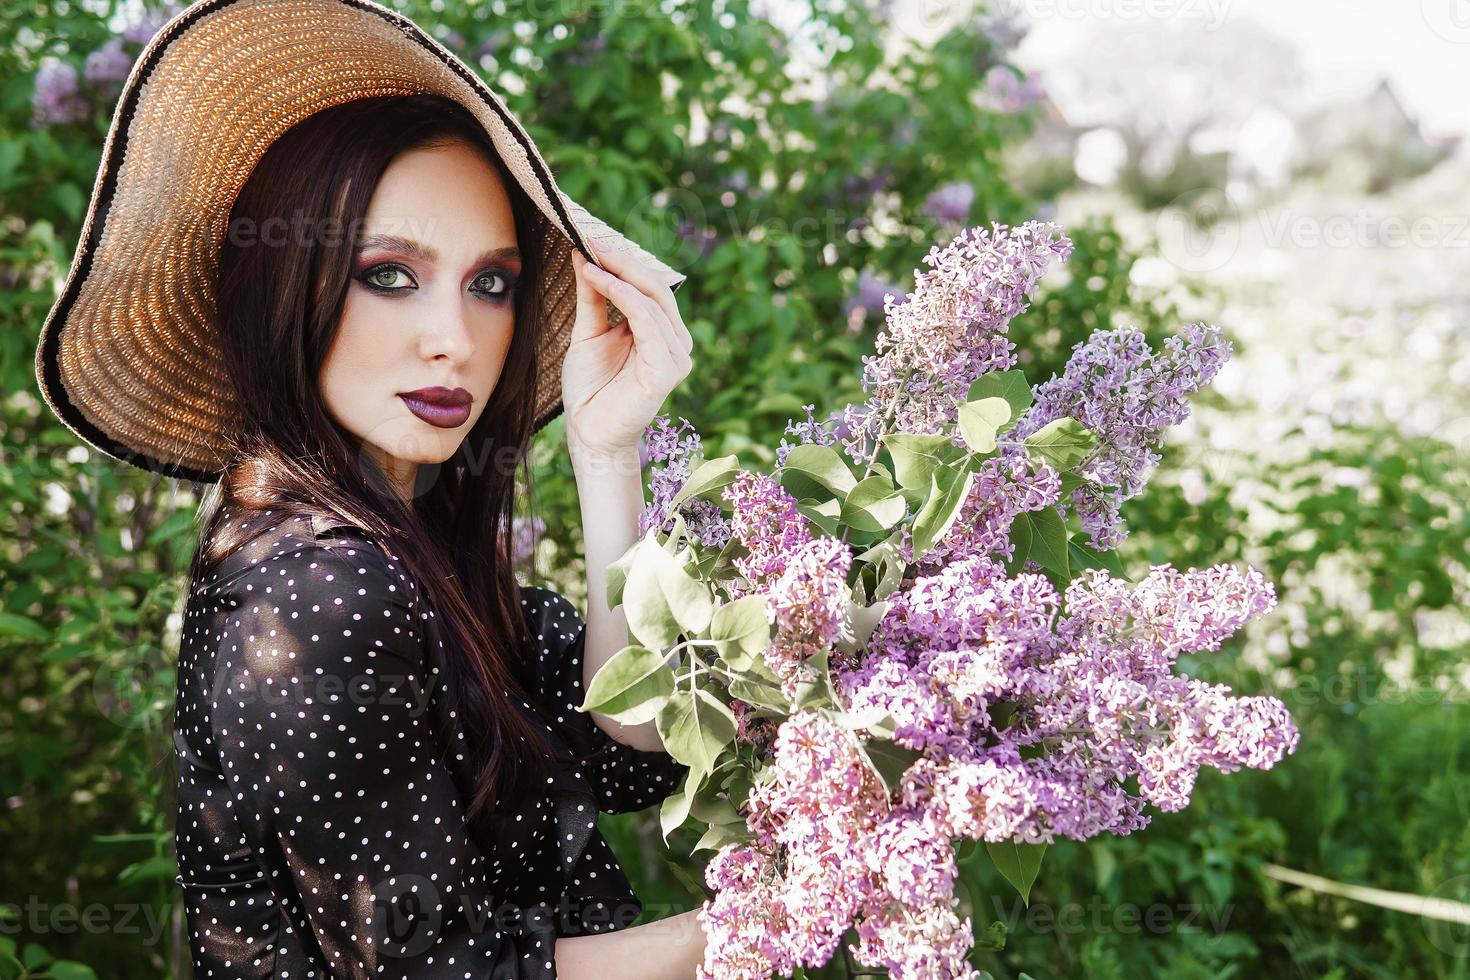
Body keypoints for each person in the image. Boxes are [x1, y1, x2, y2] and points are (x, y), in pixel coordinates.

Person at [33, 2, 707, 976]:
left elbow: (636, 743)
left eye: (492, 282)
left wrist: (609, 455)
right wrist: (771, 920)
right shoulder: (320, 593)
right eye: (390, 274)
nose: (456, 337)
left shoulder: (412, 548)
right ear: (287, 284)